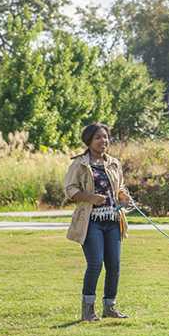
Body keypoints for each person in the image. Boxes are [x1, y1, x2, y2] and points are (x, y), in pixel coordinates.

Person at [64, 123, 132, 322]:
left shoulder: (113, 163)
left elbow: (119, 187)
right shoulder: (79, 164)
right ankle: (87, 310)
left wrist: (123, 196)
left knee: (114, 266)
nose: (103, 141)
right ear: (89, 141)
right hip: (91, 222)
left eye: (105, 137)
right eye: (98, 138)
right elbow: (70, 190)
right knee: (95, 263)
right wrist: (90, 198)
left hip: (113, 221)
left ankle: (109, 307)